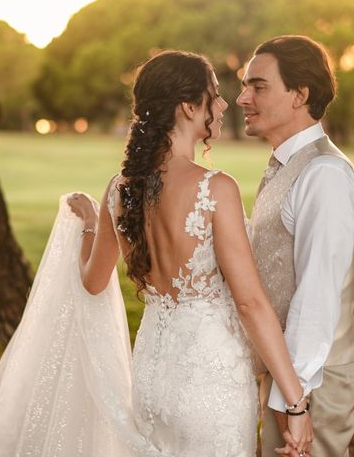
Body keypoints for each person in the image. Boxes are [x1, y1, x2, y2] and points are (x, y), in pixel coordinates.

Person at [68, 50, 312, 456]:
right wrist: (296, 404)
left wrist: (90, 225)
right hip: (209, 381)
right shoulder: (215, 188)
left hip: (149, 379)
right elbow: (251, 303)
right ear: (187, 107)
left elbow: (92, 281)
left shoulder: (117, 190)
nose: (222, 104)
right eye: (213, 95)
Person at [236, 35, 354, 457]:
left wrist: (294, 403)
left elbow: (316, 298)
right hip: (289, 377)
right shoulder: (288, 165)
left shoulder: (323, 174)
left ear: (300, 94)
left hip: (314, 381)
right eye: (244, 85)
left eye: (258, 86)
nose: (242, 98)